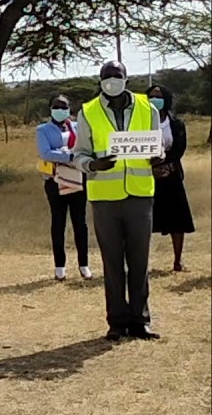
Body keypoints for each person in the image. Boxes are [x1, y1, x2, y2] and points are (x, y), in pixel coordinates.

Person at [73, 61, 161, 341]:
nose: (112, 81)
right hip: (104, 198)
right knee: (112, 263)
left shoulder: (149, 109)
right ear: (99, 81)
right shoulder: (88, 112)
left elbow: (156, 147)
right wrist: (93, 166)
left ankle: (140, 320)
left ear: (126, 78)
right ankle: (117, 321)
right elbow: (79, 155)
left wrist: (157, 158)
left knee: (140, 261)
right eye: (107, 77)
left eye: (117, 76)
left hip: (139, 194)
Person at [35, 95, 93, 281]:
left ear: (70, 109)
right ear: (51, 108)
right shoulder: (43, 129)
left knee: (80, 223)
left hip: (77, 179)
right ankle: (60, 266)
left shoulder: (78, 127)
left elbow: (86, 149)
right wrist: (69, 157)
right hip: (55, 180)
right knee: (58, 222)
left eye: (64, 107)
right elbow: (46, 153)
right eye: (57, 106)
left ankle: (84, 264)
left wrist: (68, 155)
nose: (61, 110)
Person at [148, 84, 194, 272]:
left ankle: (177, 261)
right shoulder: (141, 121)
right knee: (144, 221)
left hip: (172, 174)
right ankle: (141, 262)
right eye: (151, 96)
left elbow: (179, 148)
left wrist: (165, 164)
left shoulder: (176, 123)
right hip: (147, 176)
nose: (155, 99)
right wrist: (152, 168)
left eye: (158, 96)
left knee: (178, 219)